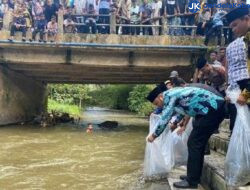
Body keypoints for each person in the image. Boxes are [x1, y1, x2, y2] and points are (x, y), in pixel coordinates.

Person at [146, 84, 225, 189]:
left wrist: (153, 136)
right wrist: (175, 123)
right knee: (196, 144)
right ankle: (194, 176)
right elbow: (183, 108)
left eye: (157, 103)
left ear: (160, 96)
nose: (158, 106)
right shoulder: (173, 94)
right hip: (210, 110)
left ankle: (192, 181)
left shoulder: (169, 96)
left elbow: (165, 117)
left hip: (212, 109)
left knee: (194, 143)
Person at [224, 7, 250, 134]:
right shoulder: (244, 40)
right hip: (240, 88)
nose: (233, 30)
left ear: (246, 19)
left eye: (235, 25)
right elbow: (230, 70)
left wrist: (245, 93)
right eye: (231, 27)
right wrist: (230, 90)